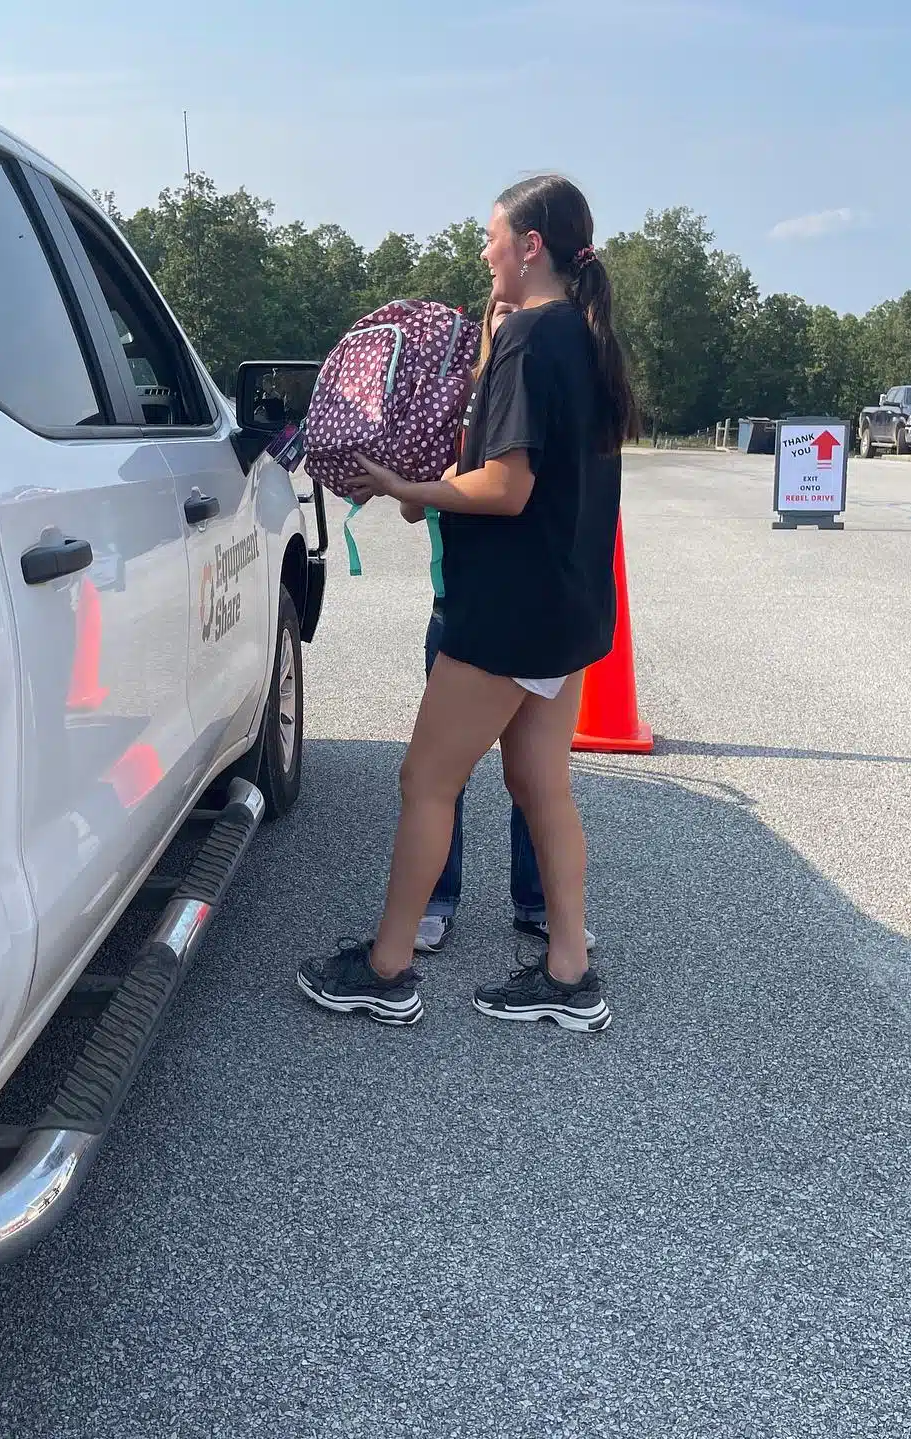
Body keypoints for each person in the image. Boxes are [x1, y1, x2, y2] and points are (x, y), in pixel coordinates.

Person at [297, 173, 637, 1029]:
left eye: (492, 237)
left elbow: (509, 485)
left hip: (507, 612)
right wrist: (435, 483)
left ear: (530, 246)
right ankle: (569, 973)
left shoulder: (527, 337)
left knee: (426, 780)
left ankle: (387, 967)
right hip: (567, 609)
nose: (482, 251)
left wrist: (408, 484)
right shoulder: (584, 339)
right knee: (538, 782)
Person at [403, 297, 597, 960]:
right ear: (481, 325)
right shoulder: (459, 408)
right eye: (498, 310)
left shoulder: (538, 391)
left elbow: (512, 492)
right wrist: (419, 482)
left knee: (523, 778)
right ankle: (435, 901)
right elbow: (415, 502)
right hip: (460, 605)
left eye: (518, 307)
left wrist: (435, 487)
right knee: (459, 776)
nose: (509, 315)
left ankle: (536, 907)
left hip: (511, 611)